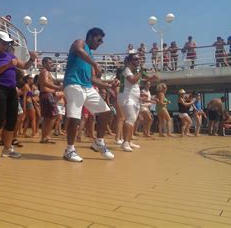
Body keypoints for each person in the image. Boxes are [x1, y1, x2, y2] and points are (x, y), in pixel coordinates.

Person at [62, 27, 117, 162]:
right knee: (75, 117)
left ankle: (98, 142)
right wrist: (95, 64)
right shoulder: (80, 43)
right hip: (74, 84)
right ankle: (69, 150)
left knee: (106, 112)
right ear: (91, 37)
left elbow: (92, 79)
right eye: (99, 40)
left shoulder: (90, 56)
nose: (100, 43)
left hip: (87, 87)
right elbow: (78, 50)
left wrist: (109, 86)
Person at [0, 31, 37, 163]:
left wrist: (31, 59)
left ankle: (7, 149)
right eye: (3, 43)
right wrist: (9, 65)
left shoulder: (10, 55)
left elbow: (25, 66)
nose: (6, 45)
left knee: (11, 120)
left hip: (11, 90)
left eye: (7, 43)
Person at [118, 53, 158, 152]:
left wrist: (152, 78)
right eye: (136, 59)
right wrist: (141, 71)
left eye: (139, 59)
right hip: (126, 97)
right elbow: (132, 80)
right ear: (130, 61)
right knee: (130, 118)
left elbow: (147, 78)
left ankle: (129, 141)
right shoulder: (126, 70)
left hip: (135, 99)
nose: (138, 61)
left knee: (133, 120)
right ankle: (125, 143)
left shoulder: (137, 71)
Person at [38, 57, 62, 144]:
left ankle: (45, 137)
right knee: (54, 115)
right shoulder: (45, 71)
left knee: (47, 117)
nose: (51, 64)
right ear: (44, 63)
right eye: (49, 63)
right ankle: (47, 136)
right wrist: (57, 87)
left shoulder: (45, 72)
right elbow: (45, 82)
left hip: (46, 95)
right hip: (47, 95)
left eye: (51, 63)